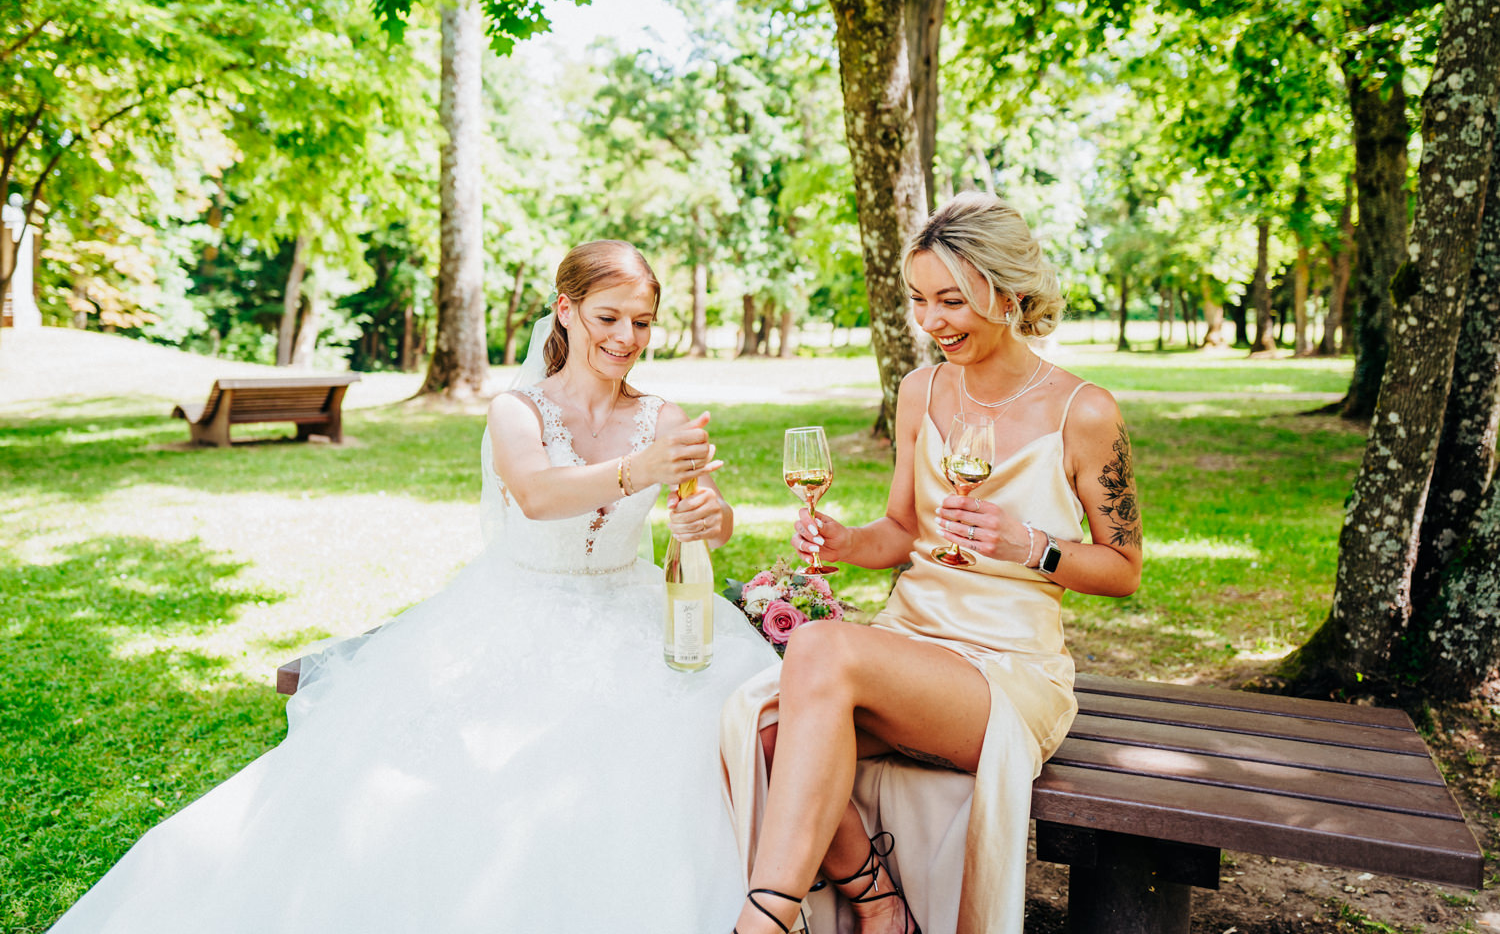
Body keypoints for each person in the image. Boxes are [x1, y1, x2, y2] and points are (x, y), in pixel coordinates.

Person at [50, 240, 780, 933]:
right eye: (608, 317)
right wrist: (638, 470)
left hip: (635, 609)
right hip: (520, 610)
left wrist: (710, 518)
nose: (626, 338)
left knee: (695, 730)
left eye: (642, 323)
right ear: (565, 310)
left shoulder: (662, 418)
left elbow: (711, 518)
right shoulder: (517, 411)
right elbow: (536, 494)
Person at [720, 192, 1144, 934]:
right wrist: (845, 542)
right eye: (919, 300)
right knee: (763, 732)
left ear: (1009, 294)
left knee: (817, 648)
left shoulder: (1085, 412)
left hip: (1007, 671)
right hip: (909, 645)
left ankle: (765, 919)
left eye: (951, 300)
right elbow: (899, 531)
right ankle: (882, 907)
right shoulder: (920, 391)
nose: (931, 321)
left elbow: (1124, 570)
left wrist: (1030, 546)